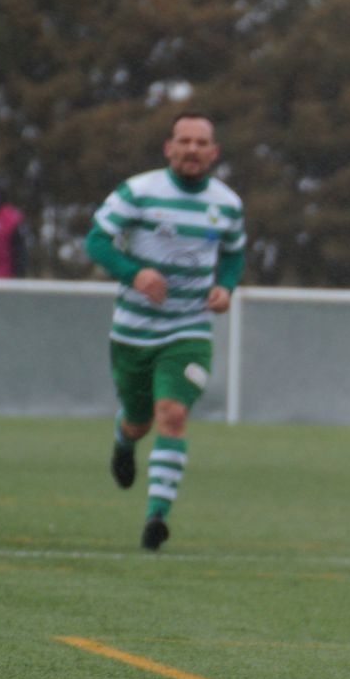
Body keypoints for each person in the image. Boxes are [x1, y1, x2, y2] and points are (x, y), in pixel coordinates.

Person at [83, 112, 246, 550]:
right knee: (139, 423)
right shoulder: (138, 192)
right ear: (168, 147)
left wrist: (225, 288)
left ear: (214, 152)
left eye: (201, 142)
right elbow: (96, 241)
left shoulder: (227, 204)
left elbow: (233, 255)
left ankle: (157, 519)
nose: (192, 149)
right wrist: (133, 274)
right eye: (184, 141)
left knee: (171, 415)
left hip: (188, 330)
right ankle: (123, 441)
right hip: (133, 332)